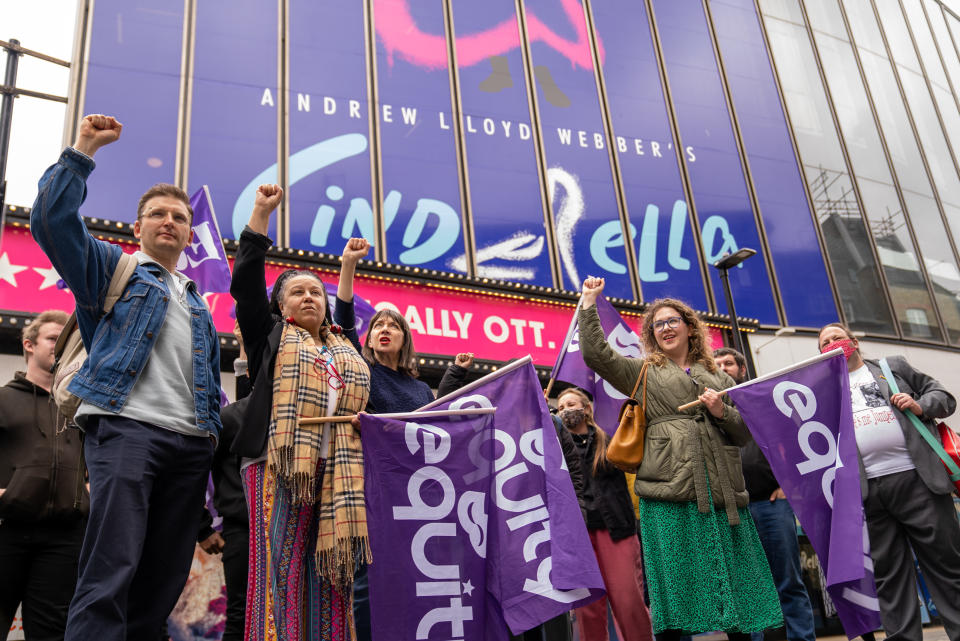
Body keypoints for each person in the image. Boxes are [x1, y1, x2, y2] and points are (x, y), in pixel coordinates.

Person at [31, 114, 222, 641]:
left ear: (188, 233)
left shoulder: (197, 303)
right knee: (110, 568)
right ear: (137, 228)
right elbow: (51, 224)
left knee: (161, 581)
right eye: (156, 214)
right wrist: (82, 150)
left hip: (189, 447)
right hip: (127, 430)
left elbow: (208, 385)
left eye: (179, 217)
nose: (168, 221)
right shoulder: (111, 269)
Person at [578, 278, 781, 641]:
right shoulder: (641, 371)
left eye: (673, 321)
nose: (666, 328)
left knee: (735, 588)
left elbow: (743, 432)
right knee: (675, 591)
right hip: (669, 494)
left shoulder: (718, 376)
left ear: (690, 328)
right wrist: (589, 304)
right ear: (652, 334)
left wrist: (721, 411)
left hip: (720, 494)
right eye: (658, 324)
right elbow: (596, 354)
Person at [230, 184, 371, 641]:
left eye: (317, 292)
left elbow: (346, 316)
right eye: (297, 293)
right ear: (279, 305)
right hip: (277, 465)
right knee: (279, 574)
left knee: (332, 578)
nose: (309, 298)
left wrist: (347, 267)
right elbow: (247, 282)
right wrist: (260, 215)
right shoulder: (268, 337)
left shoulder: (342, 348)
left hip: (337, 470)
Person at [333, 237, 474, 641]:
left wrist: (457, 374)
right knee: (369, 577)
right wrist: (348, 265)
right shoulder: (360, 367)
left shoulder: (415, 386)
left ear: (404, 338)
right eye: (378, 324)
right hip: (371, 488)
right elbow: (342, 321)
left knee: (410, 575)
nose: (384, 329)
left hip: (413, 494)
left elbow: (429, 418)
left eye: (393, 325)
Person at [818, 323, 960, 641]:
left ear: (853, 341)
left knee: (947, 566)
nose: (832, 344)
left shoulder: (892, 366)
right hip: (866, 493)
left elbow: (944, 397)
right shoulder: (824, 391)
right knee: (889, 579)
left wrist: (919, 405)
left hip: (918, 480)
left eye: (837, 337)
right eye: (824, 343)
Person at [714, 348, 816, 641]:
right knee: (747, 586)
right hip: (734, 510)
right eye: (717, 364)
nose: (723, 368)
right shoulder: (707, 410)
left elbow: (795, 443)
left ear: (742, 370)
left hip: (771, 505)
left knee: (788, 581)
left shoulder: (763, 404)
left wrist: (788, 486)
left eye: (729, 363)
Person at [0, 311, 88, 641]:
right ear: (29, 345)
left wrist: (88, 491)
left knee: (51, 633)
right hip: (7, 529)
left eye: (66, 341)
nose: (60, 346)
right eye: (53, 338)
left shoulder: (84, 409)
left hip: (64, 538)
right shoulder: (3, 399)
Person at [556, 387, 653, 641]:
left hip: (617, 530)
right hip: (580, 533)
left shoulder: (611, 440)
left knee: (628, 600)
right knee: (587, 610)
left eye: (571, 404)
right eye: (561, 407)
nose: (566, 410)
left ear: (586, 408)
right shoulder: (556, 447)